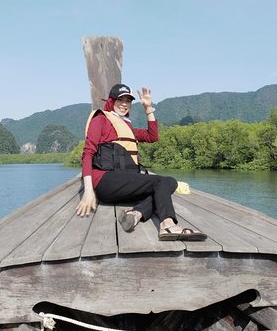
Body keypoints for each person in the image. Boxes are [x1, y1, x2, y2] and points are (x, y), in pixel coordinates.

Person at [76, 83, 206, 241]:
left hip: (123, 184)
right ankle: (167, 225)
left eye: (128, 101)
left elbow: (153, 136)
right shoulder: (101, 119)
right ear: (111, 101)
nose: (124, 104)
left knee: (169, 182)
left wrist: (148, 109)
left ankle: (136, 213)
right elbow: (88, 153)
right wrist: (88, 191)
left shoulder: (126, 126)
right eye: (120, 100)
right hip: (105, 180)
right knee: (161, 182)